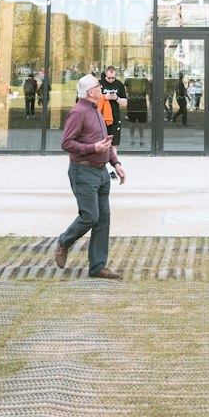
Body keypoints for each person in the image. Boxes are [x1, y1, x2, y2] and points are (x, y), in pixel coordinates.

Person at [54, 74, 125, 279]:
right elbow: (67, 143)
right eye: (98, 85)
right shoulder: (78, 112)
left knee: (103, 219)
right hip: (83, 171)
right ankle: (63, 241)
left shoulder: (96, 110)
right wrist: (91, 148)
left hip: (102, 172)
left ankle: (97, 267)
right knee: (90, 216)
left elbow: (106, 142)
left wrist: (116, 163)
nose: (101, 87)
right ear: (89, 92)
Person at [99, 65, 127, 148]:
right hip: (101, 116)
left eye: (113, 78)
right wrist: (104, 97)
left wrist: (116, 98)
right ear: (105, 75)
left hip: (114, 117)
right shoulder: (99, 83)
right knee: (101, 143)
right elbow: (93, 100)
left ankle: (114, 160)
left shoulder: (119, 84)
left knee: (113, 144)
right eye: (109, 78)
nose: (111, 80)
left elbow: (125, 103)